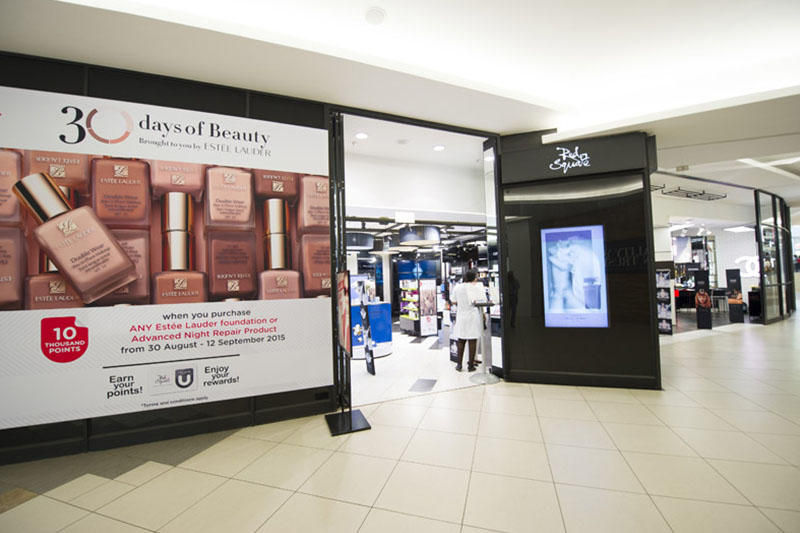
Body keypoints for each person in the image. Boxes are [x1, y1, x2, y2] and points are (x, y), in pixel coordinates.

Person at [450, 269, 487, 371]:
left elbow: (453, 301)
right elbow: (480, 301)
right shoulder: (475, 287)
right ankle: (470, 366)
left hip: (461, 316)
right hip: (473, 316)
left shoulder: (457, 287)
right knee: (472, 340)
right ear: (473, 278)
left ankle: (459, 365)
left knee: (461, 340)